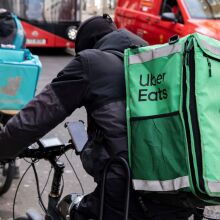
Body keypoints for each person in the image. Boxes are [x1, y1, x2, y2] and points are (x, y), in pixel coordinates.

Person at [0, 14, 195, 219]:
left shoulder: (91, 63)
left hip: (125, 197)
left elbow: (32, 120)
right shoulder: (157, 64)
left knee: (73, 210)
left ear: (89, 46)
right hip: (181, 194)